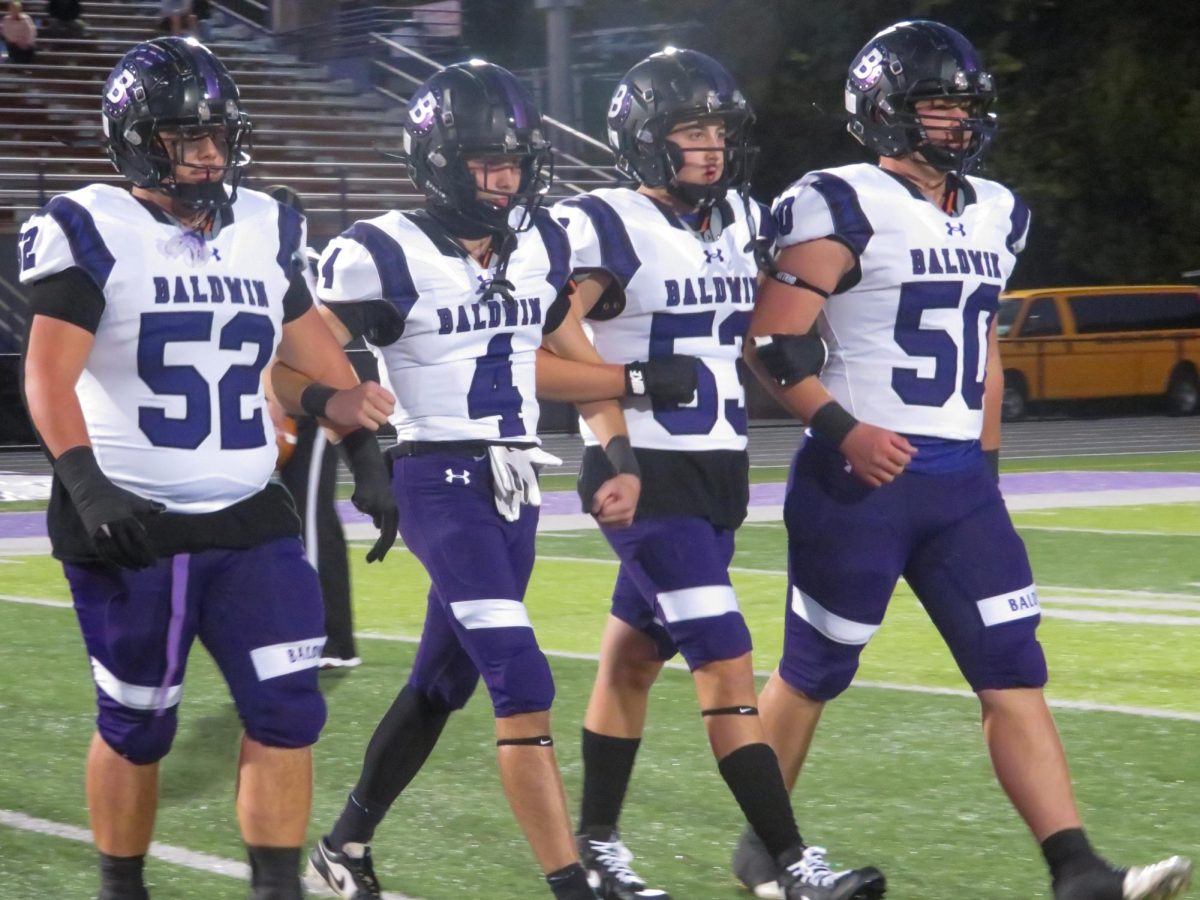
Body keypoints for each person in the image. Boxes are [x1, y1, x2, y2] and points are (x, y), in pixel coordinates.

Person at [734, 20, 1194, 900]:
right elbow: (771, 342)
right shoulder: (840, 200)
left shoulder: (997, 209)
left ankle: (1076, 869)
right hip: (856, 476)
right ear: (883, 113)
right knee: (815, 668)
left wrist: (987, 466)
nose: (953, 121)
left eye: (963, 105)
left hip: (957, 485)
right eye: (934, 104)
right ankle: (765, 848)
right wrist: (845, 433)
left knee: (1013, 669)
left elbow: (982, 344)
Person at [18, 37, 398, 900]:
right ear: (136, 139)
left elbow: (319, 358)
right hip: (132, 516)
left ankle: (276, 888)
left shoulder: (266, 224)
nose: (209, 154)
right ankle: (123, 887)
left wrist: (364, 447)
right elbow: (46, 376)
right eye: (186, 138)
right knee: (139, 726)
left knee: (289, 710)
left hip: (247, 512)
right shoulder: (91, 225)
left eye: (218, 136)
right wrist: (85, 484)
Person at [289, 60, 655, 900]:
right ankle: (572, 884)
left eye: (515, 164)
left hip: (514, 486)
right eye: (486, 164)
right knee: (523, 681)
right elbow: (289, 355)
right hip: (437, 480)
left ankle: (343, 849)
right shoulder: (383, 252)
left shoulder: (542, 247)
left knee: (439, 683)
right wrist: (354, 437)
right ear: (439, 164)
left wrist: (619, 448)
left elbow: (571, 358)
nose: (504, 181)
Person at [550, 48, 886, 900]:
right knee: (727, 663)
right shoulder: (604, 222)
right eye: (689, 131)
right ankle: (789, 864)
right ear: (643, 139)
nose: (710, 148)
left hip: (717, 472)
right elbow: (547, 333)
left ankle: (594, 843)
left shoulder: (736, 216)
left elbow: (757, 328)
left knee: (631, 659)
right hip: (644, 475)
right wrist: (618, 414)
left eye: (718, 131)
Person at [263, 184, 361, 670]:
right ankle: (305, 628)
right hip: (281, 395)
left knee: (311, 512)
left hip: (316, 399)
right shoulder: (267, 256)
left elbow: (310, 337)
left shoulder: (309, 262)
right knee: (292, 515)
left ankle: (331, 638)